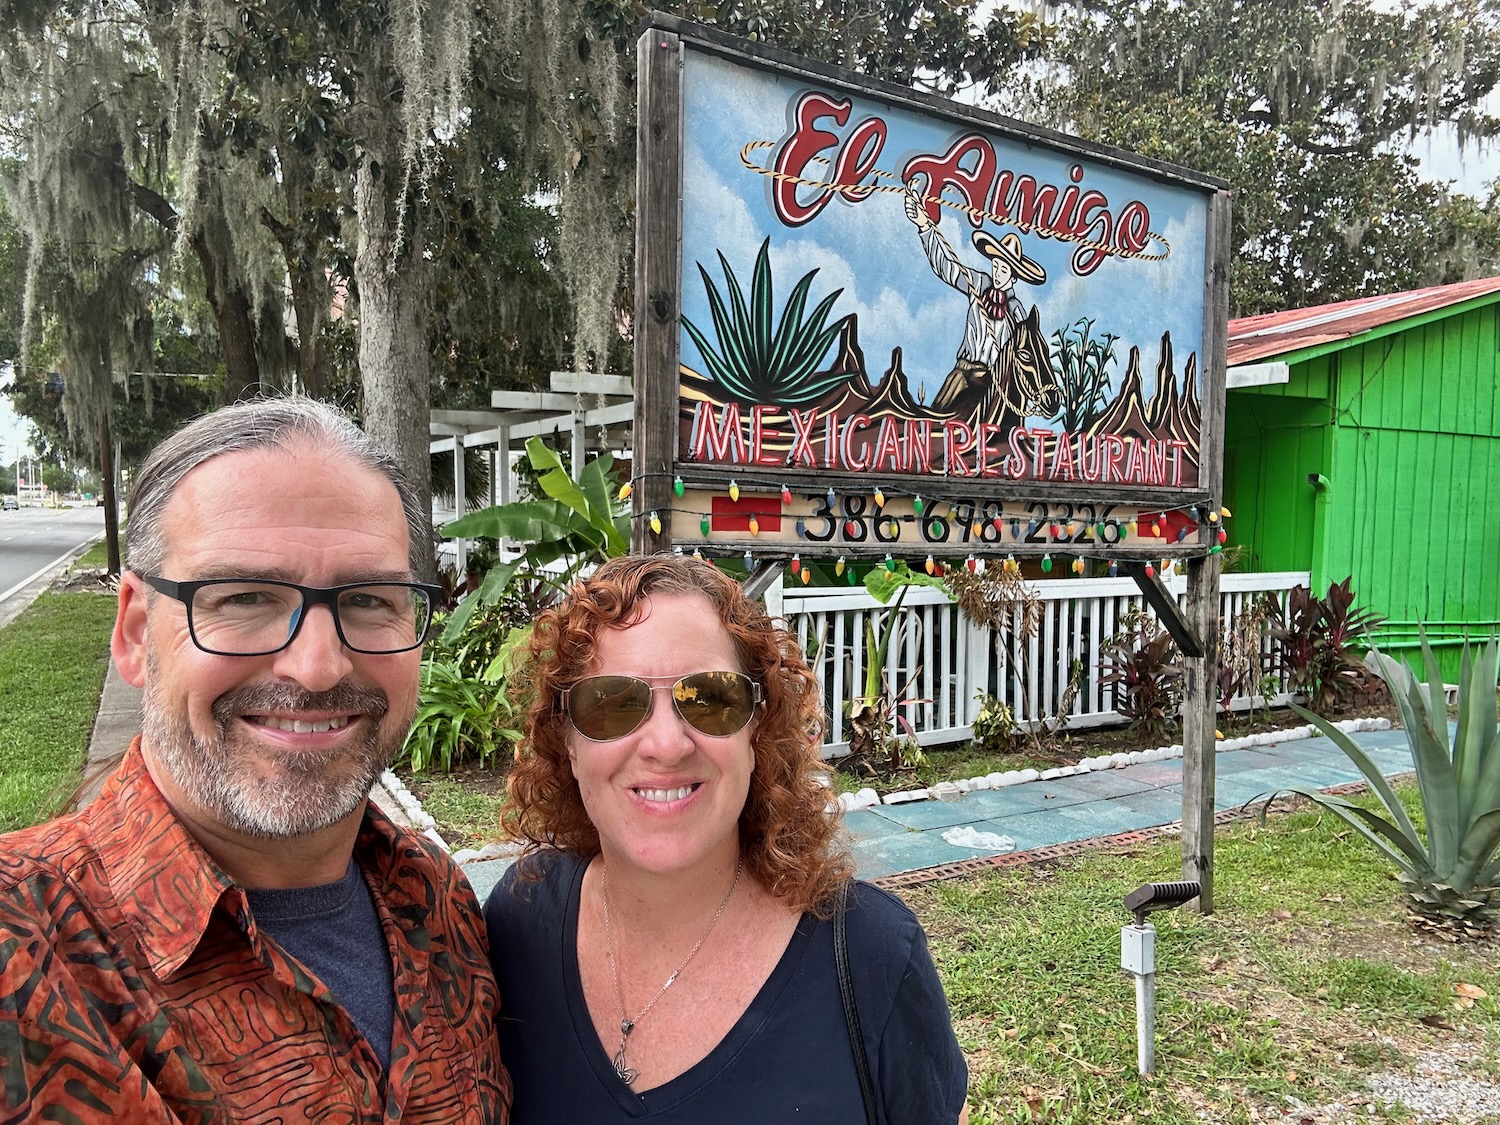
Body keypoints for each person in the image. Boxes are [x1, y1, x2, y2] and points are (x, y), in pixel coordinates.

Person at [0, 398, 511, 1123]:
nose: (318, 667)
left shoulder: (441, 904)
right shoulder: (25, 949)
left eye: (370, 599)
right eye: (244, 597)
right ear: (137, 632)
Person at [485, 554, 968, 1122]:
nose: (666, 745)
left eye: (710, 699)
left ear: (756, 730)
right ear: (567, 740)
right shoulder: (520, 919)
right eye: (613, 703)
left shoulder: (873, 957)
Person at [905, 179, 1059, 427]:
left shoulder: (1017, 311)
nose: (998, 272)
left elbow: (1029, 352)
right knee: (935, 420)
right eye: (996, 265)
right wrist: (924, 226)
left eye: (1004, 269)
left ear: (1014, 276)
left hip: (995, 380)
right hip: (964, 374)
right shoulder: (977, 283)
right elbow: (946, 268)